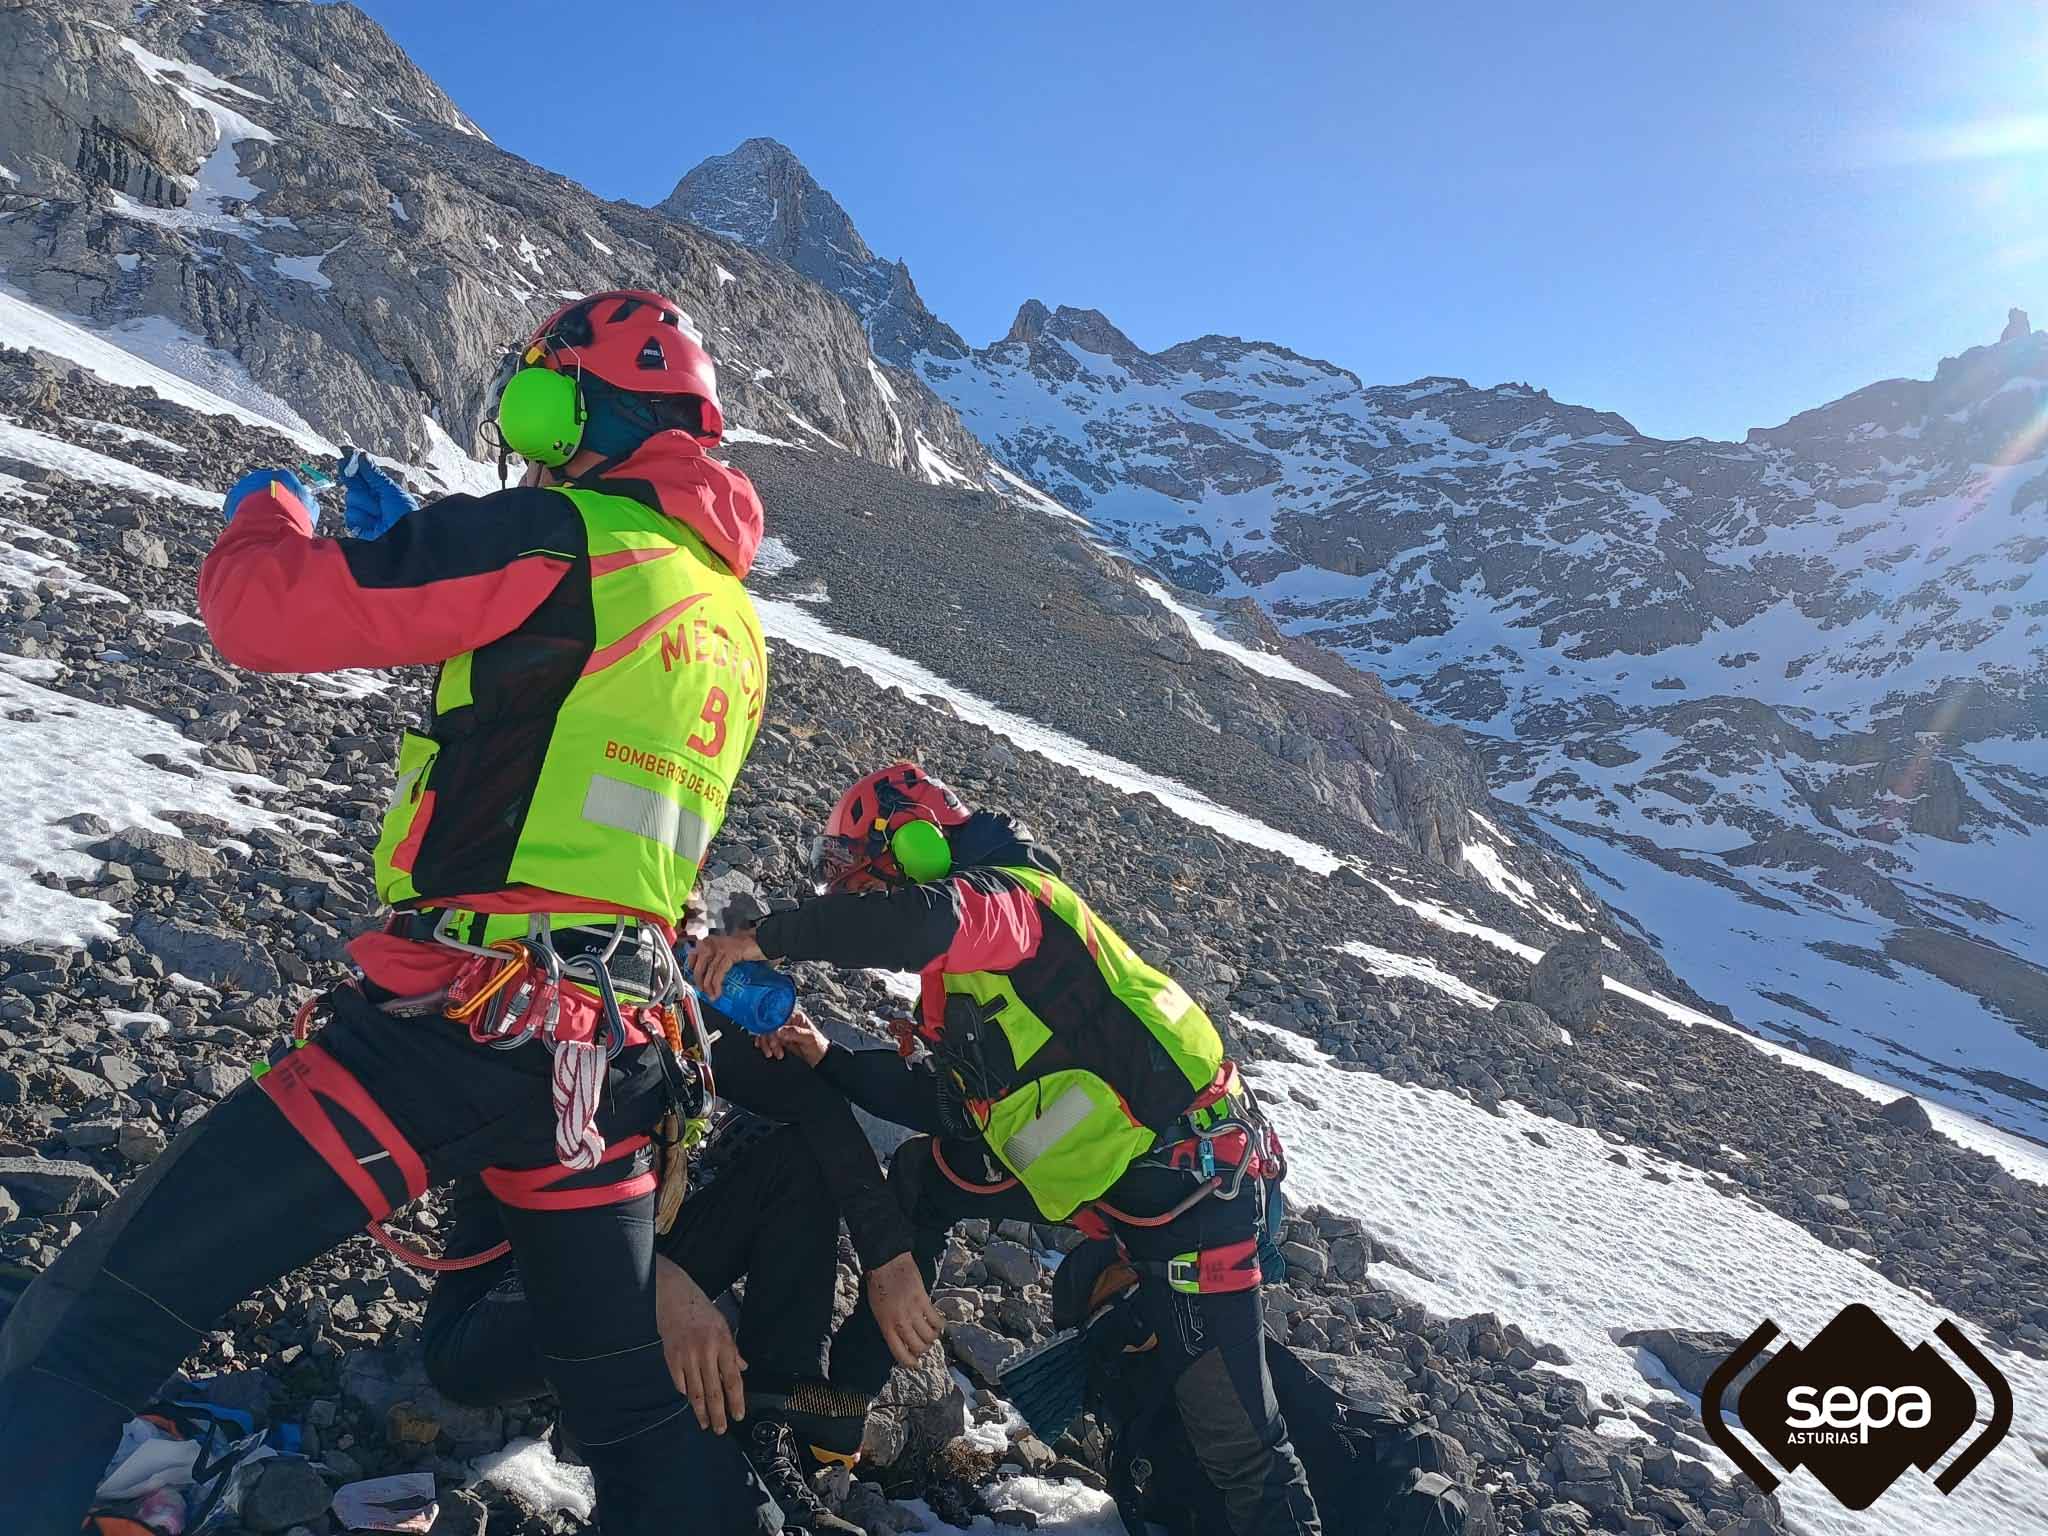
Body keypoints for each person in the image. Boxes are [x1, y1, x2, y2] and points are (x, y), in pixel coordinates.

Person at [0, 289, 806, 1536]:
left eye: (539, 400)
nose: (525, 432)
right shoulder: (721, 609)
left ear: (576, 403)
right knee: (634, 1422)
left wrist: (267, 512)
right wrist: (432, 541)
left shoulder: (551, 533)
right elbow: (558, 708)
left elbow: (255, 614)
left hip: (456, 1032)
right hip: (605, 1058)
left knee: (101, 1320)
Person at [693, 763, 1323, 1536]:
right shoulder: (959, 978)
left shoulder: (1010, 905)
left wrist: (769, 934)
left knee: (1240, 1445)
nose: (842, 895)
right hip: (1109, 1180)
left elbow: (916, 923)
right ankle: (840, 1419)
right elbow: (951, 1111)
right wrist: (827, 1055)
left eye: (851, 873)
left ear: (917, 849)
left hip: (1194, 1189)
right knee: (924, 1175)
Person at [420, 1002, 945, 1535]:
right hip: (508, 1291)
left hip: (635, 1257)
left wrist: (886, 1256)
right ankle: (650, 1424)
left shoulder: (660, 998)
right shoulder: (529, 1010)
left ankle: (766, 1420)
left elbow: (813, 1104)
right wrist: (647, 1281)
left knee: (798, 1155)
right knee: (493, 1358)